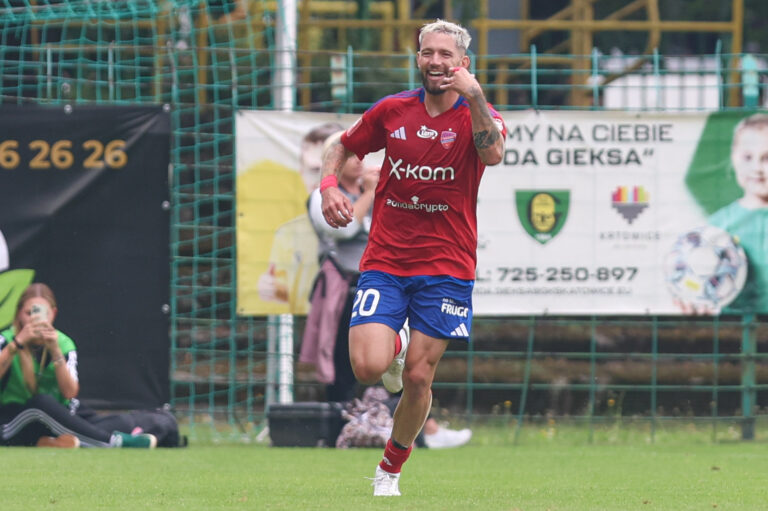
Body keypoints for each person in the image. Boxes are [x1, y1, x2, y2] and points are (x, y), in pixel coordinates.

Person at [318, 19, 505, 496]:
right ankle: (395, 342)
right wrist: (327, 187)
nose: (436, 62)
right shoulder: (393, 111)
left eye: (446, 54)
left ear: (463, 63)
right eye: (428, 53)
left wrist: (477, 97)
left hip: (447, 265)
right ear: (418, 58)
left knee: (420, 377)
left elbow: (494, 155)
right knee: (366, 367)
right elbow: (340, 143)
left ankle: (390, 470)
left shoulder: (477, 113)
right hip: (387, 260)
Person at [302, 131, 473, 448]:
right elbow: (344, 227)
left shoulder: (382, 191)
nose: (359, 161)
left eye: (360, 155)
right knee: (350, 364)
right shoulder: (323, 196)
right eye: (351, 156)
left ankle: (423, 429)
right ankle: (341, 427)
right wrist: (370, 192)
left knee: (414, 370)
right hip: (342, 288)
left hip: (386, 279)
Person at [0, 283, 159, 448]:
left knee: (102, 422)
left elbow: (69, 393)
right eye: (29, 313)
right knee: (41, 404)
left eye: (43, 313)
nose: (35, 319)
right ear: (19, 314)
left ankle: (49, 442)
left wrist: (55, 351)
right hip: (10, 417)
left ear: (53, 314)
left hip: (56, 416)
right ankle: (114, 443)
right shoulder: (6, 340)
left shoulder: (63, 343)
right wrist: (17, 344)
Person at [255, 122, 345, 314]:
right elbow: (279, 292)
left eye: (332, 167)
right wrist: (270, 290)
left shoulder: (374, 205)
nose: (324, 177)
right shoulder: (286, 234)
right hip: (316, 317)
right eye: (315, 170)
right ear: (301, 172)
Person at [707, 113, 768, 314]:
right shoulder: (718, 225)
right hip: (732, 331)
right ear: (734, 158)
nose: (757, 168)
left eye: (767, 158)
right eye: (748, 157)